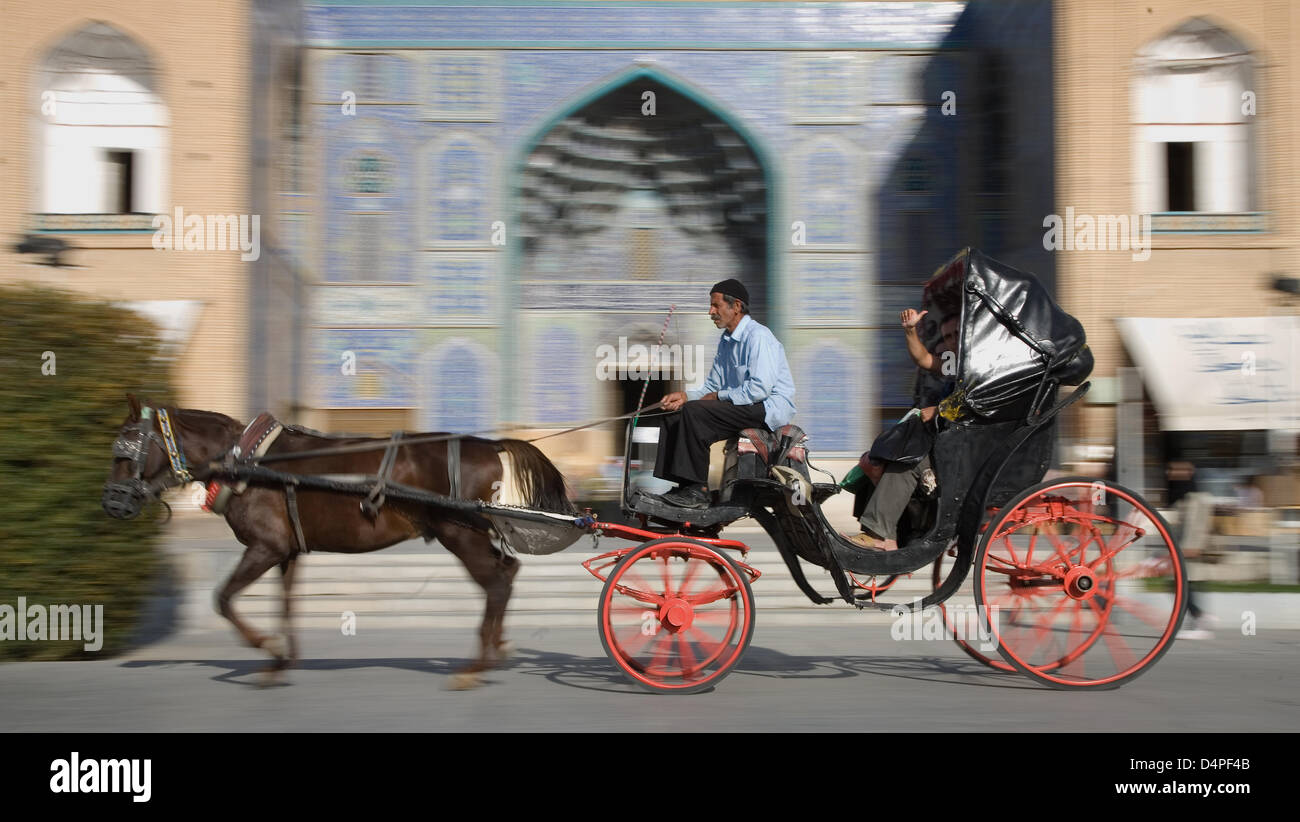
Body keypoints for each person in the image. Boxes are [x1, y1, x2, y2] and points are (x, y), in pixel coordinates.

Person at [652, 279, 796, 509]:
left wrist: (718, 397)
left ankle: (697, 490)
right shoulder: (726, 342)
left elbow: (760, 390)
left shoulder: (758, 336)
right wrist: (686, 396)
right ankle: (683, 486)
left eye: (716, 306)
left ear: (736, 306)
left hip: (767, 409)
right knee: (676, 414)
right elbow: (712, 385)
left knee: (695, 413)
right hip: (743, 406)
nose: (711, 312)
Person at [844, 307, 958, 551]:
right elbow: (924, 359)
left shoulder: (982, 368)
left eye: (958, 333)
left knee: (907, 463)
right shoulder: (955, 365)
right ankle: (887, 532)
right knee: (876, 459)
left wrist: (940, 410)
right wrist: (909, 330)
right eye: (948, 336)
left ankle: (879, 535)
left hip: (959, 451)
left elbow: (978, 403)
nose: (954, 340)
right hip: (941, 441)